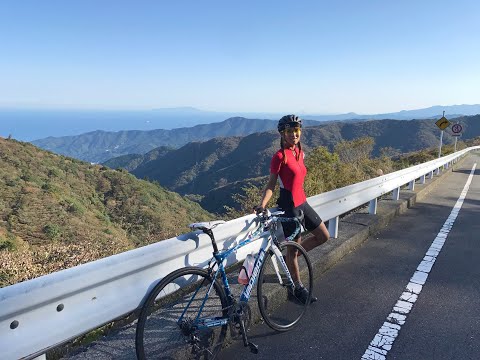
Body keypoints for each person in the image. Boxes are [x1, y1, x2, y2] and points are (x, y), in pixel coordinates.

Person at [254, 114, 330, 304]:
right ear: (282, 133)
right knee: (293, 252)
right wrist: (262, 204)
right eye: (289, 131)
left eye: (296, 130)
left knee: (323, 236)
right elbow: (271, 185)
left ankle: (289, 259)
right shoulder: (279, 156)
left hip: (302, 203)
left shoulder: (299, 152)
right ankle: (297, 288)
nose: (293, 134)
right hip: (289, 207)